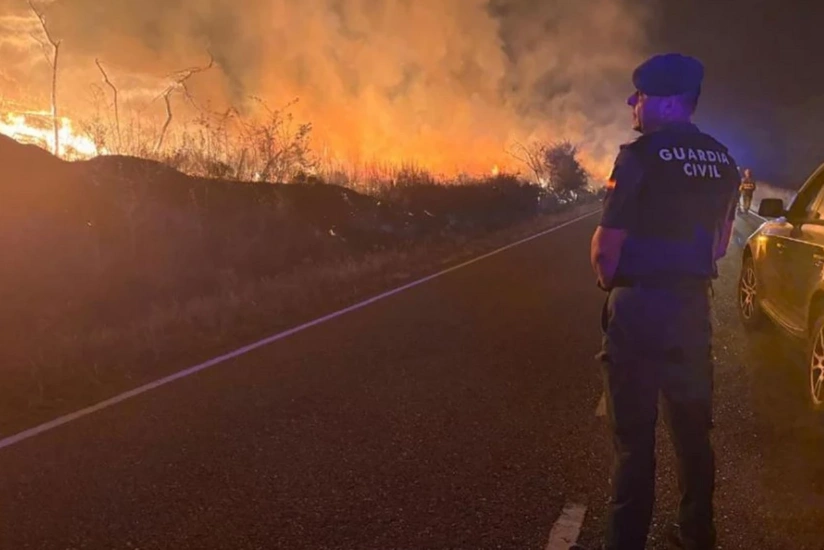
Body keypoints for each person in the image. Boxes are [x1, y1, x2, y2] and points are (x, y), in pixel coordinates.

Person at [574, 54, 741, 550]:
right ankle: (697, 534)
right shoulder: (723, 159)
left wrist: (616, 286)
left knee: (634, 441)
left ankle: (625, 541)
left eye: (640, 95)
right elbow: (719, 244)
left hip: (639, 312)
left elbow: (606, 251)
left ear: (666, 103)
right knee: (693, 433)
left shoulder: (640, 156)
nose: (633, 103)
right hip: (690, 311)